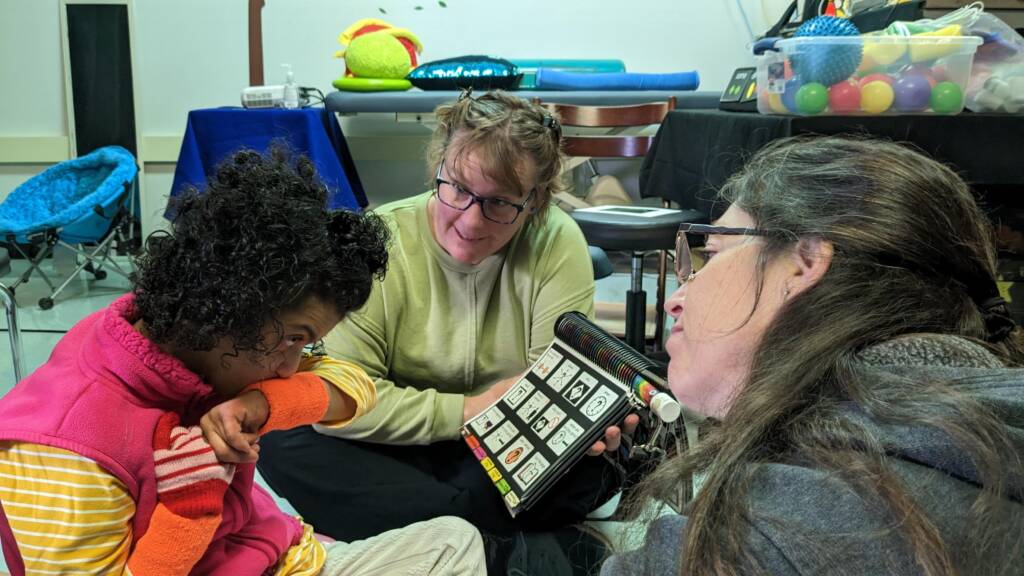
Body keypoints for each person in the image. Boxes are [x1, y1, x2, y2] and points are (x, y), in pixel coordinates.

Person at [0, 148, 485, 575]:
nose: (291, 367)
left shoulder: (172, 335)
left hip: (277, 552)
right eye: (295, 338)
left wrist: (260, 405)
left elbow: (355, 389)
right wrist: (188, 515)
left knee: (453, 539)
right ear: (231, 307)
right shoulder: (65, 455)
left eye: (307, 344)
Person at [600, 135, 1024, 576]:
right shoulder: (981, 423)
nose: (676, 299)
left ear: (802, 265)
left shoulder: (775, 531)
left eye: (710, 254)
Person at [255, 91, 634, 574]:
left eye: (499, 203)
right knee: (283, 432)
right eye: (457, 189)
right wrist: (467, 409)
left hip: (500, 448)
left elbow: (552, 401)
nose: (471, 221)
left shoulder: (556, 240)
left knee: (590, 463)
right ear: (437, 167)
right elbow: (343, 396)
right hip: (396, 446)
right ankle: (508, 546)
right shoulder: (382, 239)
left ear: (535, 200)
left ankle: (438, 539)